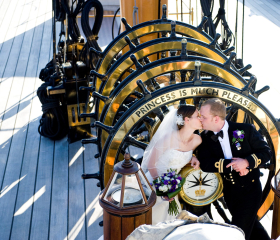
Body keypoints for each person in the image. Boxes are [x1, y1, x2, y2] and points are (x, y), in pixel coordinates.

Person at [195, 98, 271, 240]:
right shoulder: (205, 138)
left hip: (251, 190)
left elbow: (266, 152)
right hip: (230, 193)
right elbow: (205, 163)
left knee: (237, 232)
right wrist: (233, 165)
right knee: (253, 227)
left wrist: (247, 162)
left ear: (216, 119)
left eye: (203, 117)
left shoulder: (245, 130)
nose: (200, 120)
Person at [141, 105, 202, 225]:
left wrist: (193, 157)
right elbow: (151, 164)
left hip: (172, 189)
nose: (201, 119)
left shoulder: (197, 140)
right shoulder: (168, 138)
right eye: (197, 116)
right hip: (153, 184)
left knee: (172, 219)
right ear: (187, 120)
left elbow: (184, 156)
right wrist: (162, 188)